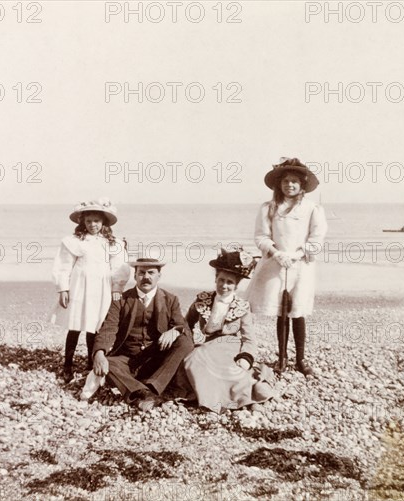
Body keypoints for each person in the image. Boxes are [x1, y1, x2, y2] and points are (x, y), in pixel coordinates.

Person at [246, 157, 328, 376]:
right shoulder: (269, 208)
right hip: (276, 263)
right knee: (281, 311)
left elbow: (317, 238)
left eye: (294, 181)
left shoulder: (313, 209)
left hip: (301, 265)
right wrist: (277, 253)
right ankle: (281, 358)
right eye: (285, 181)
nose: (289, 185)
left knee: (298, 311)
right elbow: (261, 236)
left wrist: (298, 254)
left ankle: (300, 359)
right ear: (278, 184)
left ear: (302, 185)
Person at [92, 258, 194, 412]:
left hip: (157, 359)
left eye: (151, 272)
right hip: (127, 360)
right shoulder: (121, 300)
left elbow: (183, 326)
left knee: (185, 342)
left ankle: (150, 386)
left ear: (159, 275)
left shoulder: (170, 300)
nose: (146, 277)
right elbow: (108, 328)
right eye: (142, 273)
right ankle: (146, 393)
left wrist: (175, 330)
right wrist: (99, 353)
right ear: (135, 276)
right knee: (109, 363)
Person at [182, 249, 275, 413]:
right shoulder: (202, 300)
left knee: (237, 373)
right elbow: (186, 324)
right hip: (207, 347)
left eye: (229, 282)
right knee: (193, 361)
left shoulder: (242, 306)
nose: (224, 286)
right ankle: (212, 400)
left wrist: (246, 357)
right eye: (221, 280)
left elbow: (249, 339)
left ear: (236, 285)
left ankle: (242, 399)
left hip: (232, 347)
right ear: (215, 279)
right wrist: (186, 343)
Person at [52, 197, 130, 384]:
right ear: (82, 222)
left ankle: (90, 362)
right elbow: (63, 265)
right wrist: (63, 288)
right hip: (79, 285)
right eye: (88, 221)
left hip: (101, 287)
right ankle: (67, 365)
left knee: (94, 325)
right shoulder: (75, 241)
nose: (92, 225)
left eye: (96, 221)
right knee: (75, 325)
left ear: (103, 222)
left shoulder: (113, 243)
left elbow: (119, 267)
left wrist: (116, 288)